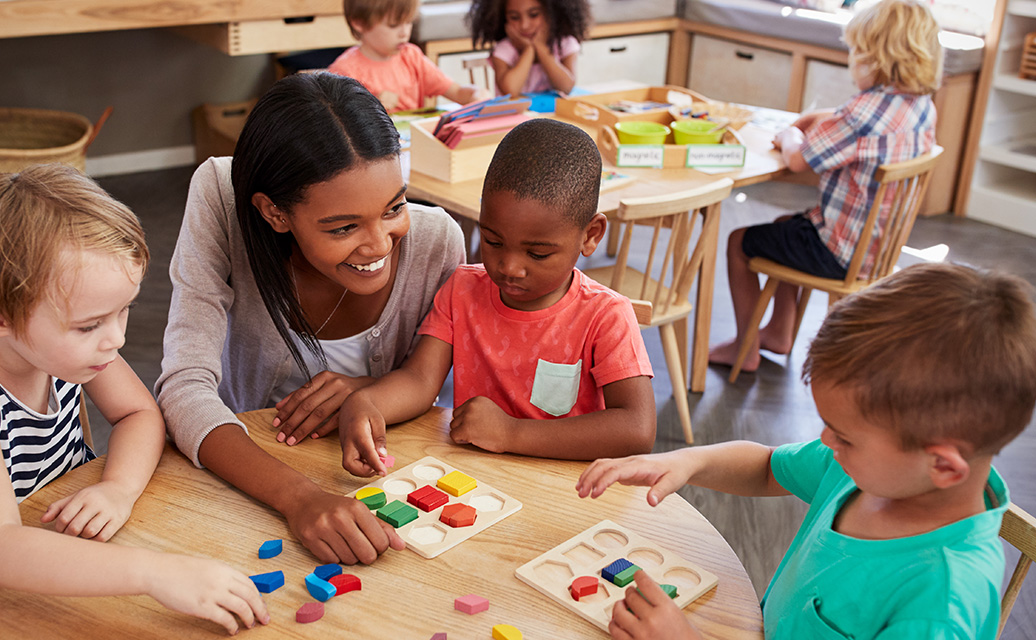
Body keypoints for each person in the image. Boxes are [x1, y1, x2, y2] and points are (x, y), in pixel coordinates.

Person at [0, 165, 268, 638]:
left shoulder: (54, 339)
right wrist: (154, 573)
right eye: (91, 324)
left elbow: (138, 413)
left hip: (66, 530)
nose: (115, 339)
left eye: (124, 310)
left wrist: (118, 488)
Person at [578, 262, 1036, 640]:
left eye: (844, 435)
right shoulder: (865, 471)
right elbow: (766, 467)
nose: (825, 442)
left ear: (943, 465)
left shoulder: (938, 608)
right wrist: (686, 460)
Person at [155, 72, 466, 564]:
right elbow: (183, 387)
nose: (379, 245)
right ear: (274, 214)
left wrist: (367, 388)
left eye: (394, 207)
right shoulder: (222, 194)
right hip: (249, 472)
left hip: (380, 485)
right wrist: (299, 498)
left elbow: (434, 386)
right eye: (343, 227)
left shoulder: (437, 242)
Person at [338, 118, 657, 478]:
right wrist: (366, 402)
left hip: (567, 488)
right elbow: (420, 381)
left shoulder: (605, 316)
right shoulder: (462, 289)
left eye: (537, 254)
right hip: (476, 481)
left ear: (591, 235)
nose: (509, 267)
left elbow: (636, 429)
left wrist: (511, 433)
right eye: (493, 242)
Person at [708, 0, 941, 372]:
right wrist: (827, 117)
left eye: (856, 54)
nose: (852, 63)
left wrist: (788, 135)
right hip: (876, 249)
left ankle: (745, 348)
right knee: (787, 224)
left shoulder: (861, 112)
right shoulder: (921, 105)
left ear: (875, 59)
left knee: (740, 242)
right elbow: (860, 127)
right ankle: (780, 332)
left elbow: (800, 159)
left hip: (838, 253)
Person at [328, 0, 491, 112]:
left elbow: (458, 92)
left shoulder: (411, 56)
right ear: (360, 23)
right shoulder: (343, 71)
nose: (404, 33)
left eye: (408, 22)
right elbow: (339, 128)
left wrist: (476, 94)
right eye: (394, 25)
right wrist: (371, 107)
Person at [467, 0, 590, 96]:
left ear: (553, 13)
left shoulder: (565, 43)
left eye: (534, 15)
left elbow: (566, 87)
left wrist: (540, 47)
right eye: (514, 17)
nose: (524, 25)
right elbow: (510, 91)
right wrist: (528, 50)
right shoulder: (503, 50)